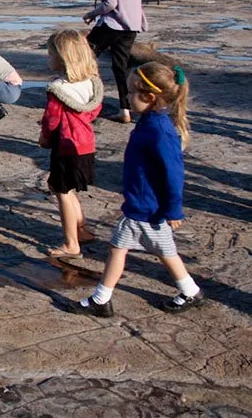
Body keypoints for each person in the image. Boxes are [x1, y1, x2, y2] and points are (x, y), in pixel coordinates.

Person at [74, 61, 202, 318]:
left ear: (150, 97)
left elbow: (174, 175)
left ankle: (102, 298)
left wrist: (174, 210)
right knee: (150, 251)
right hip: (142, 206)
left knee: (130, 250)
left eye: (132, 92)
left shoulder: (159, 130)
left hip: (146, 209)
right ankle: (189, 290)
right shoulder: (149, 123)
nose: (127, 96)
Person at [38, 30, 104, 259]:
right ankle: (82, 229)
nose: (48, 59)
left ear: (63, 57)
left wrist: (45, 137)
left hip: (66, 145)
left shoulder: (59, 89)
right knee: (68, 188)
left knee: (62, 191)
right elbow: (94, 110)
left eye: (51, 55)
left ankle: (71, 244)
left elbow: (52, 119)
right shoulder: (91, 83)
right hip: (86, 143)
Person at [83, 0, 148, 124]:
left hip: (113, 24)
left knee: (83, 56)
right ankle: (125, 109)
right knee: (121, 67)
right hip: (131, 25)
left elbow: (110, 3)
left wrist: (91, 14)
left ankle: (84, 99)